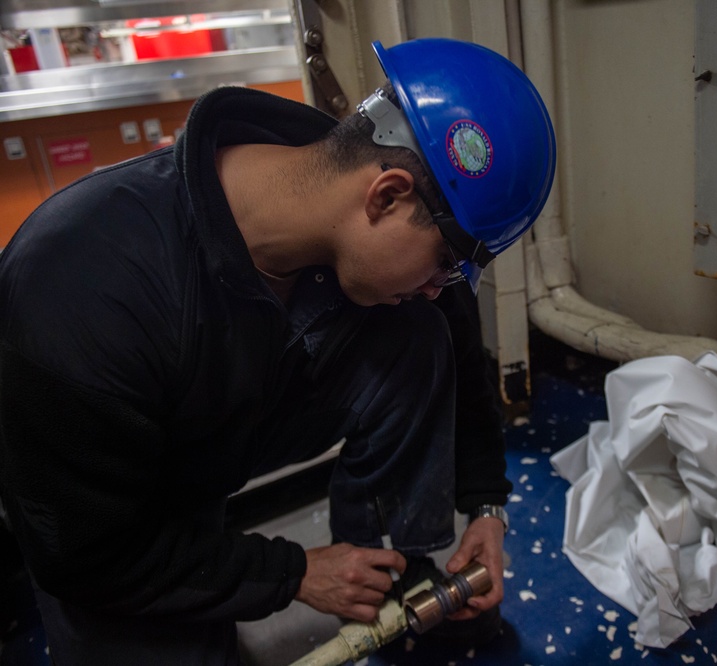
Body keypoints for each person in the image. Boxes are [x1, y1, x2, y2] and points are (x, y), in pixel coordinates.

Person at [0, 37, 556, 664]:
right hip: (107, 522)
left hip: (227, 413)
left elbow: (451, 331)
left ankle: (384, 566)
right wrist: (292, 575)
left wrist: (486, 505)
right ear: (387, 196)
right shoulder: (80, 290)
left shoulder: (337, 183)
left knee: (421, 334)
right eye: (447, 264)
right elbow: (84, 555)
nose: (441, 285)